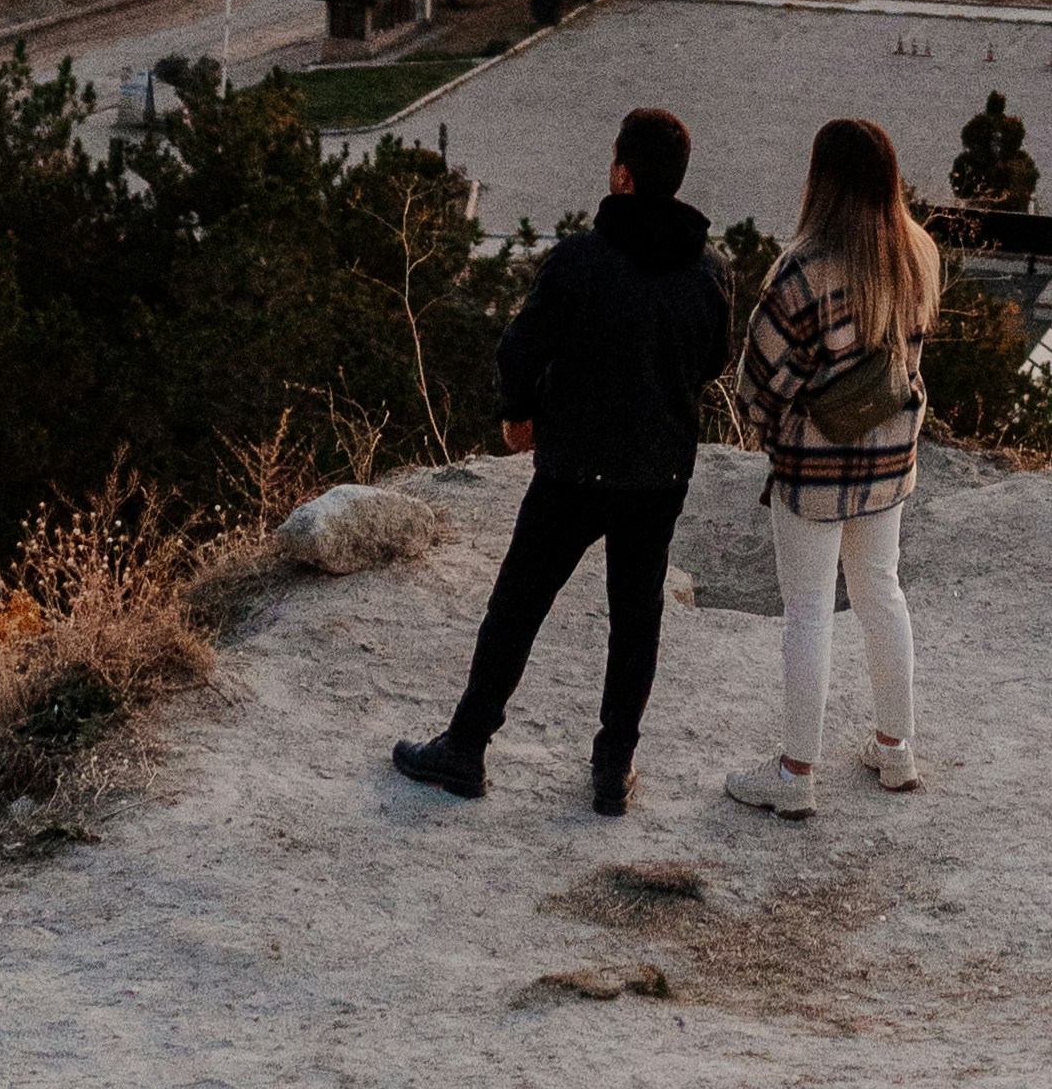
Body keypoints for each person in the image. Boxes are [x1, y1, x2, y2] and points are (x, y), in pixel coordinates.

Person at [392, 107, 730, 817]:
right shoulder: (709, 270)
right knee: (635, 621)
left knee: (516, 606)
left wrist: (519, 413)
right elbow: (711, 362)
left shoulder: (581, 258)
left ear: (622, 174)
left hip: (572, 467)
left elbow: (521, 345)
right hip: (657, 473)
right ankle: (613, 770)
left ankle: (466, 747)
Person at [728, 115, 936, 816]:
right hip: (889, 460)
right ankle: (895, 751)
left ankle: (794, 775)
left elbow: (758, 379)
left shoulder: (801, 269)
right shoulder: (918, 254)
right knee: (882, 591)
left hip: (813, 467)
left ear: (822, 179)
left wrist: (768, 434)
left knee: (809, 610)